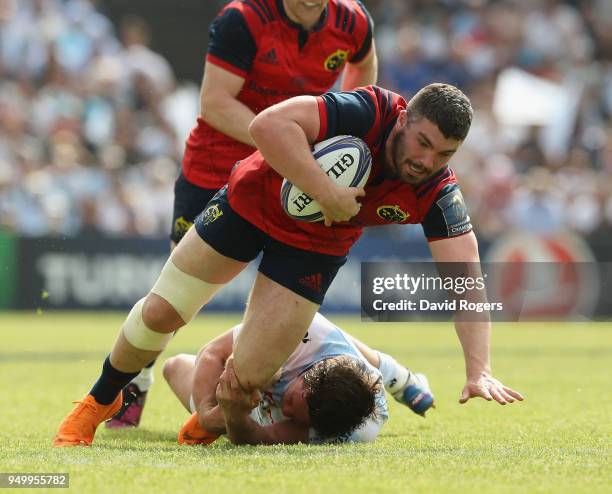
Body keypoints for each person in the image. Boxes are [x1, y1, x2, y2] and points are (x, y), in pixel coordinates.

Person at [53, 82, 524, 448]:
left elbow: (465, 276)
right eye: (422, 142)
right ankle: (101, 398)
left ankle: (206, 419)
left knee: (248, 380)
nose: (426, 160)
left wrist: (478, 368)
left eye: (443, 154)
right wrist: (325, 190)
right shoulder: (368, 110)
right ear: (405, 119)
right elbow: (267, 126)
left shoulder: (438, 189)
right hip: (250, 201)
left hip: (313, 249)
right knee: (162, 312)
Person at [107, 0, 378, 428]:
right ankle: (133, 385)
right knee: (175, 296)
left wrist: (345, 134)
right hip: (214, 170)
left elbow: (364, 79)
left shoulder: (353, 22)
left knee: (293, 290)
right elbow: (214, 104)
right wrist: (287, 145)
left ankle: (372, 376)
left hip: (286, 179)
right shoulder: (243, 19)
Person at [162, 312, 433, 445]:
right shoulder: (303, 331)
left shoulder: (353, 430)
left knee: (175, 367)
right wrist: (208, 412)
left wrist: (233, 417)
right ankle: (403, 379)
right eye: (291, 400)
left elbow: (258, 438)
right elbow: (211, 353)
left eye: (295, 417)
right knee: (328, 334)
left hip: (355, 404)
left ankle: (401, 379)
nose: (286, 408)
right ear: (310, 373)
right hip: (320, 345)